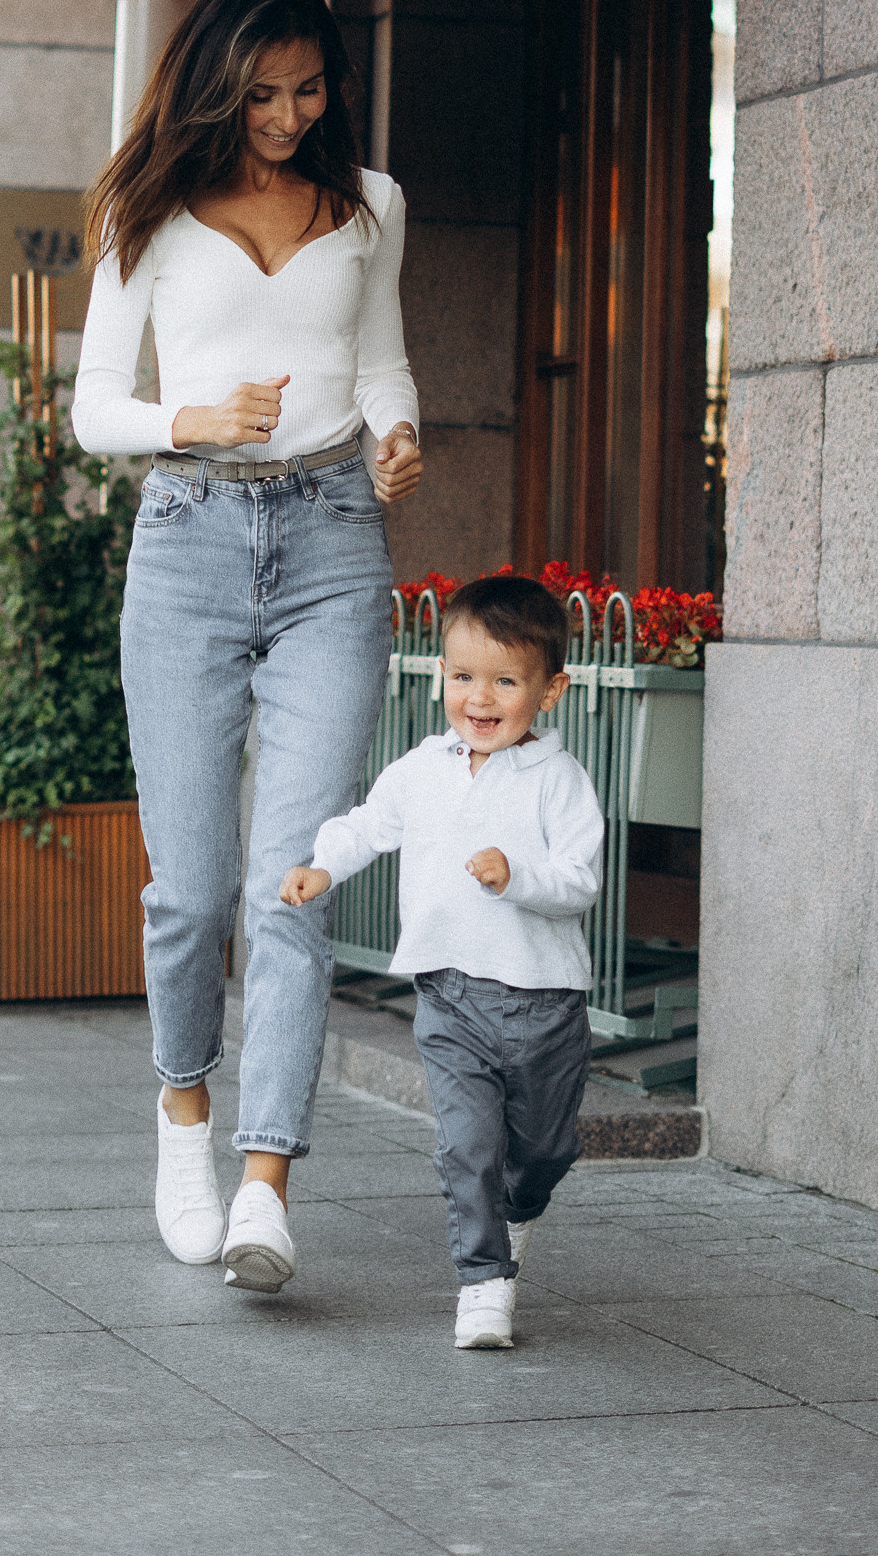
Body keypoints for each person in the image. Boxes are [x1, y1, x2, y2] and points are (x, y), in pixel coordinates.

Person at [72, 0, 422, 1296]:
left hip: (335, 539)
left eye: (308, 87)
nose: (287, 114)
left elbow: (379, 359)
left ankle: (267, 1181)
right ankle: (184, 1118)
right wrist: (189, 421)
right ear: (219, 85)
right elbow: (95, 404)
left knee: (294, 877)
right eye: (263, 92)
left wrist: (399, 436)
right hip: (190, 546)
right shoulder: (146, 212)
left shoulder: (370, 205)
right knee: (190, 889)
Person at [279, 571, 603, 1349]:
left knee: (545, 1151)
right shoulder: (422, 770)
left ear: (550, 691)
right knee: (467, 1145)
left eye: (504, 681)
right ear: (439, 678)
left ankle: (518, 1212)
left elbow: (580, 882)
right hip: (450, 996)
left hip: (546, 1005)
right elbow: (367, 824)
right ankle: (483, 1282)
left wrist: (517, 877)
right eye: (463, 678)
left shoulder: (559, 782)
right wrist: (323, 866)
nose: (480, 700)